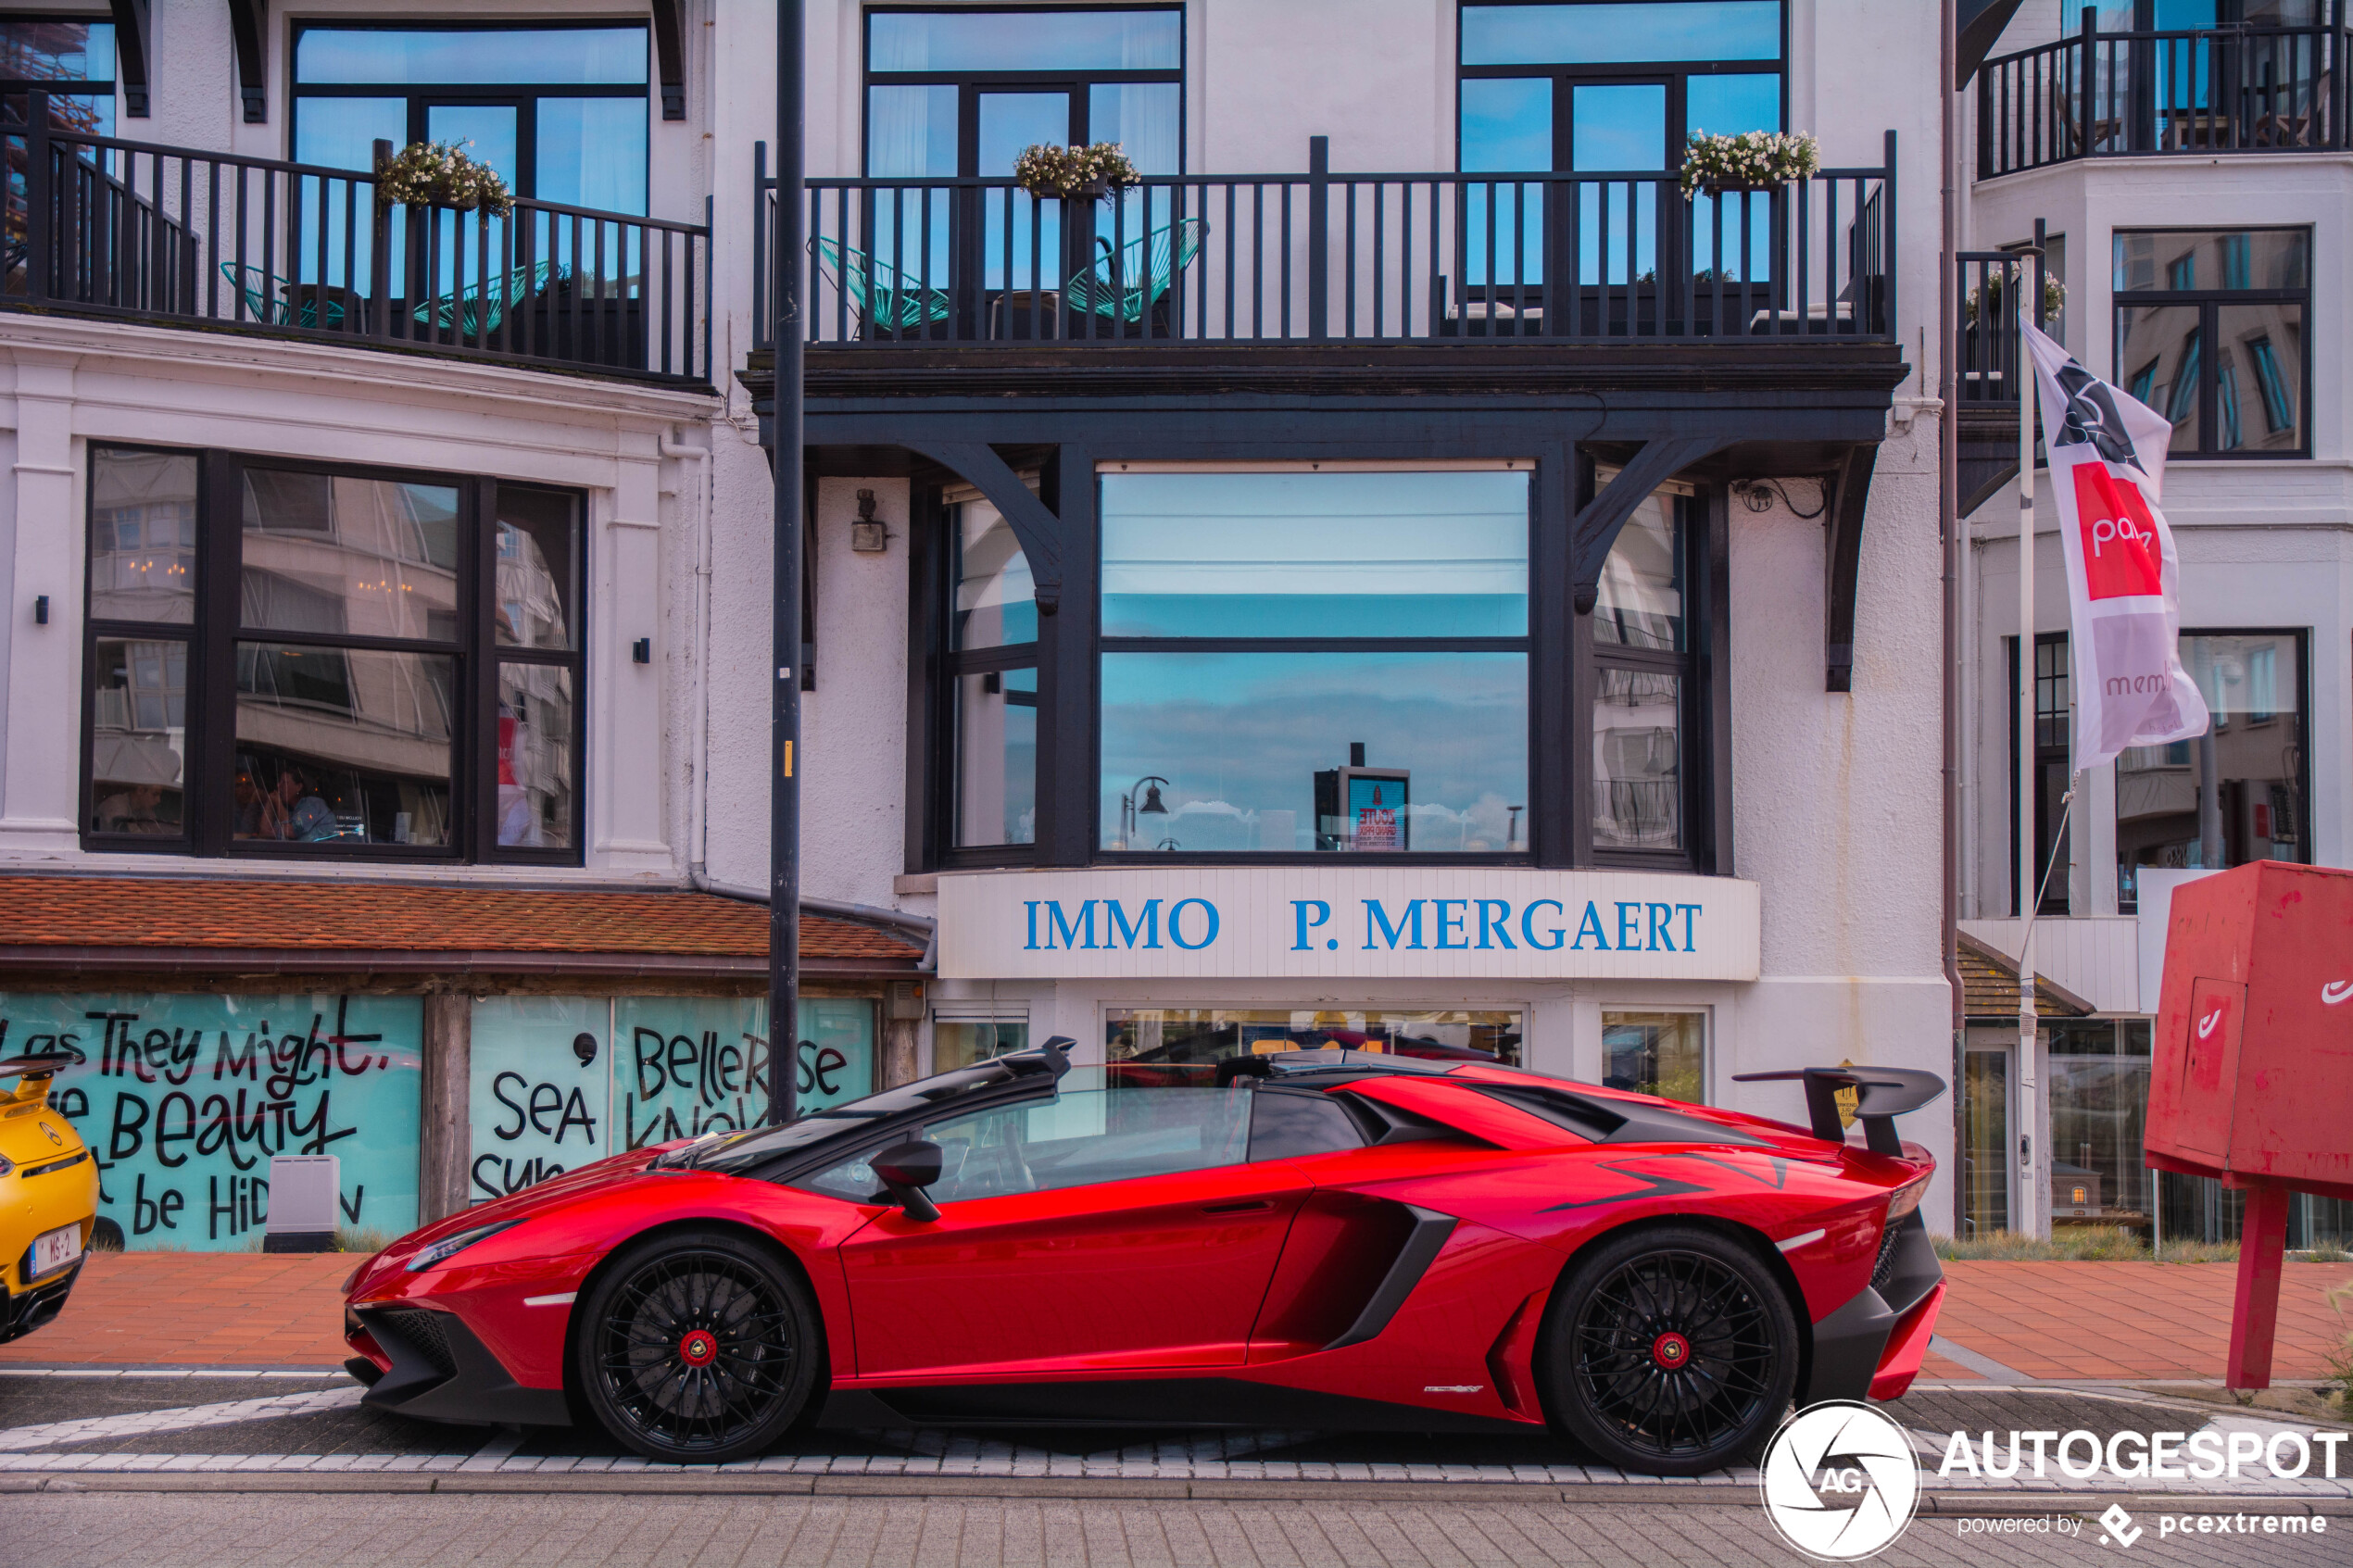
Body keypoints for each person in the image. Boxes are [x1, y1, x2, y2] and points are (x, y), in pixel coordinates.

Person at [258, 767, 342, 842]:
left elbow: (290, 831)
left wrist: (278, 803)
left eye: (284, 783)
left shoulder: (313, 804)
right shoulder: (290, 811)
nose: (278, 785)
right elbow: (266, 833)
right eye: (279, 782)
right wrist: (269, 802)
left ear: (298, 787)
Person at [93, 781, 171, 834]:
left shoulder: (144, 809)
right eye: (155, 794)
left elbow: (157, 830)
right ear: (140, 790)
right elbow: (131, 836)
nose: (158, 800)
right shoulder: (117, 805)